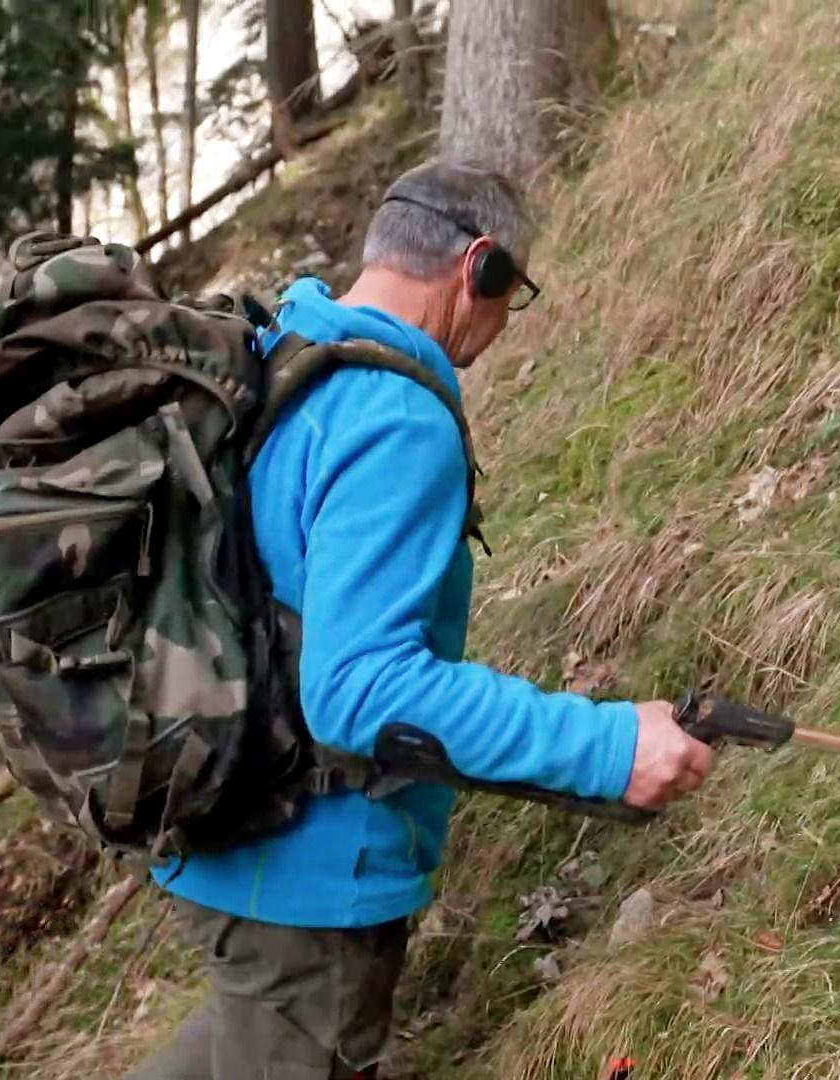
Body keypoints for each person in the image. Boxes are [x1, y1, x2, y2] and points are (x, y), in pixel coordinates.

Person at [125, 159, 717, 1080]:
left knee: (243, 1031)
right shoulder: (394, 417)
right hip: (308, 877)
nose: (502, 323)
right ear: (480, 266)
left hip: (222, 826)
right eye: (512, 293)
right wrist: (610, 748)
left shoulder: (285, 350)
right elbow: (361, 691)